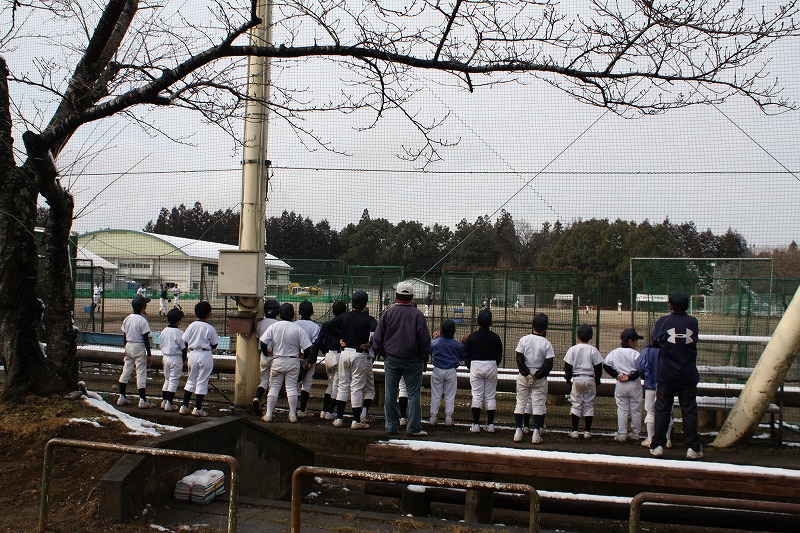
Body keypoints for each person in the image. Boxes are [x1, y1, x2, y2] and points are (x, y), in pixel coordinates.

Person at [373, 281, 431, 437]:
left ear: (396, 295)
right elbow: (425, 340)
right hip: (413, 360)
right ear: (412, 296)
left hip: (391, 358)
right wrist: (423, 358)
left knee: (390, 393)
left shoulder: (388, 313)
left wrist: (384, 354)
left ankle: (391, 426)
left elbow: (377, 339)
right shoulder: (418, 315)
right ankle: (413, 427)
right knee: (413, 394)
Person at [650, 292, 702, 460]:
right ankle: (693, 447)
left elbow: (654, 340)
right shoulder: (692, 321)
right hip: (687, 373)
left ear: (671, 305)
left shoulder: (664, 320)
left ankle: (658, 445)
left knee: (662, 408)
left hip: (667, 374)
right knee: (689, 409)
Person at [328, 291, 376, 429]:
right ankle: (356, 421)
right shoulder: (369, 319)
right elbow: (379, 331)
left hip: (344, 353)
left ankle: (339, 419)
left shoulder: (344, 316)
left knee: (343, 385)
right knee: (356, 387)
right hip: (359, 354)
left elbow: (328, 326)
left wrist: (339, 339)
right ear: (365, 304)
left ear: (352, 302)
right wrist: (370, 343)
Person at [259, 303, 312, 423]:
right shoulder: (297, 328)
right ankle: (292, 415)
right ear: (293, 315)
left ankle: (268, 414)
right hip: (293, 361)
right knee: (291, 388)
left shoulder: (274, 326)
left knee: (274, 387)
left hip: (277, 360)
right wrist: (304, 357)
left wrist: (267, 353)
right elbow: (308, 348)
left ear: (279, 314)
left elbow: (263, 341)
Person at [513, 313, 555, 443]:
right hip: (539, 378)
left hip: (523, 377)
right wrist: (537, 375)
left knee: (521, 403)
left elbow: (519, 359)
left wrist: (526, 374)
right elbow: (548, 364)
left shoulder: (524, 340)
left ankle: (518, 432)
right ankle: (536, 434)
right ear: (545, 328)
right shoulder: (547, 343)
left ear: (532, 325)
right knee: (538, 404)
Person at [463, 308, 502, 433]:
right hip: (491, 365)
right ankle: (490, 425)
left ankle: (475, 425)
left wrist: (470, 366)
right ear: (491, 322)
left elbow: (466, 354)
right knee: (490, 396)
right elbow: (499, 355)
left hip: (476, 365)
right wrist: (494, 364)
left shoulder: (472, 337)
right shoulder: (496, 337)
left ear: (477, 322)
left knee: (477, 395)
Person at [604, 328, 644, 442]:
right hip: (634, 384)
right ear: (630, 341)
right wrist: (630, 377)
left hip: (621, 384)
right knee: (636, 410)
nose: (637, 343)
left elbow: (606, 365)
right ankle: (635, 433)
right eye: (636, 340)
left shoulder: (615, 352)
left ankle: (622, 434)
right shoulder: (636, 354)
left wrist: (616, 375)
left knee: (622, 409)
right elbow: (641, 369)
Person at [180, 301, 220, 417]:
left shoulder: (192, 325)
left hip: (192, 354)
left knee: (191, 380)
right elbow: (214, 344)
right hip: (205, 354)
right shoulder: (210, 328)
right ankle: (197, 408)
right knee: (202, 381)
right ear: (209, 313)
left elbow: (185, 339)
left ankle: (184, 406)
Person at [563, 324, 603, 439]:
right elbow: (598, 367)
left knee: (576, 404)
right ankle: (587, 431)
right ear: (590, 336)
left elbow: (568, 367)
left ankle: (575, 431)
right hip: (590, 378)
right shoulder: (593, 350)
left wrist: (568, 380)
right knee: (588, 405)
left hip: (577, 378)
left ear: (577, 336)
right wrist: (597, 380)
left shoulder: (573, 349)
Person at [637, 333, 674, 448]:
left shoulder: (647, 351)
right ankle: (667, 440)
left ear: (651, 338)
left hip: (650, 385)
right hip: (666, 386)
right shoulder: (670, 351)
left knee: (651, 412)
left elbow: (639, 366)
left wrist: (646, 376)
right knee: (667, 412)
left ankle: (650, 439)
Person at [117, 295, 155, 408]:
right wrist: (149, 354)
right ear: (143, 307)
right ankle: (142, 400)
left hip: (128, 345)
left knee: (126, 370)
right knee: (141, 373)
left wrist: (126, 347)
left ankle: (121, 397)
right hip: (138, 346)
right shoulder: (142, 320)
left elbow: (124, 334)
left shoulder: (127, 318)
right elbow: (145, 339)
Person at [313, 300, 347, 420]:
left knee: (330, 384)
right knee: (336, 386)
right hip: (339, 355)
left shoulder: (327, 324)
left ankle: (324, 411)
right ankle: (329, 412)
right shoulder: (344, 325)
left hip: (328, 356)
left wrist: (324, 351)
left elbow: (318, 341)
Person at [429, 319, 464, 426]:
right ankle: (448, 418)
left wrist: (434, 338)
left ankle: (433, 418)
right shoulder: (457, 345)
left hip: (437, 370)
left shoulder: (435, 342)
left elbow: (430, 350)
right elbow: (462, 355)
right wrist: (464, 343)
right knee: (450, 395)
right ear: (454, 331)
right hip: (451, 371)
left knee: (435, 395)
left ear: (441, 330)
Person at [252, 299, 281, 415]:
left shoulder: (260, 323)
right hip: (275, 355)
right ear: (277, 311)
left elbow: (258, 338)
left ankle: (257, 397)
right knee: (274, 383)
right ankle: (270, 409)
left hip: (264, 355)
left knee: (264, 381)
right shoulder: (278, 324)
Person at [295, 301, 321, 418]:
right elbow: (315, 345)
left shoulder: (294, 324)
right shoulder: (315, 327)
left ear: (299, 312)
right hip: (308, 358)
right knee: (306, 384)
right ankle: (302, 410)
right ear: (312, 312)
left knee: (293, 384)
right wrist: (311, 360)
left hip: (295, 357)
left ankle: (292, 410)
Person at [159, 309, 187, 412]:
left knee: (167, 379)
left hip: (165, 357)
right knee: (173, 380)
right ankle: (169, 404)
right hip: (176, 358)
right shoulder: (180, 333)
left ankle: (164, 401)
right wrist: (183, 360)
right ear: (179, 320)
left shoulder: (164, 331)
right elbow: (184, 348)